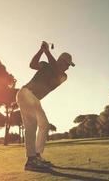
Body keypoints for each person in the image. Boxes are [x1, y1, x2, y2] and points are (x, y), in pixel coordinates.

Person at [16, 41, 75, 171]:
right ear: (62, 61)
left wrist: (47, 51)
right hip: (26, 93)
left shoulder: (63, 75)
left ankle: (37, 155)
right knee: (31, 126)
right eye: (67, 64)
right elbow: (32, 65)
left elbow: (56, 69)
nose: (68, 67)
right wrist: (41, 50)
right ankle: (31, 161)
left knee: (44, 125)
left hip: (35, 99)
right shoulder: (45, 65)